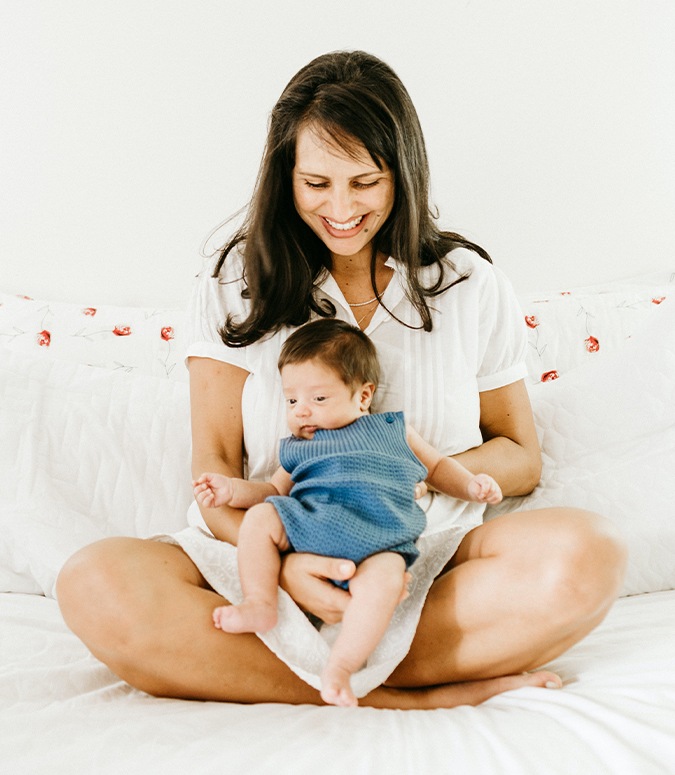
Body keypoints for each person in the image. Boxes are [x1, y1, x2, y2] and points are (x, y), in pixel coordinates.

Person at [56, 50, 627, 709]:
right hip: (274, 549)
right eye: (316, 183)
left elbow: (518, 455)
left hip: (424, 556)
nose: (342, 208)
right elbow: (212, 467)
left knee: (589, 552)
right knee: (93, 581)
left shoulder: (468, 283)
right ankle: (410, 694)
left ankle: (331, 669)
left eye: (365, 182)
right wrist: (283, 564)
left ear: (402, 175)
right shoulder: (235, 279)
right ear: (285, 177)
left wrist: (415, 475)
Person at [193, 318, 503, 707]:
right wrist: (231, 489)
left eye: (318, 399)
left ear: (363, 397)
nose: (302, 411)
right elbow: (271, 491)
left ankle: (342, 667)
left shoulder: (393, 430)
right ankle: (259, 602)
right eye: (292, 400)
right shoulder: (296, 448)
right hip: (309, 526)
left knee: (387, 581)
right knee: (261, 517)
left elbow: (438, 468)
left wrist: (472, 485)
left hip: (379, 539)